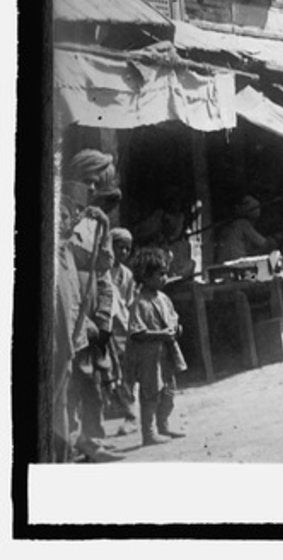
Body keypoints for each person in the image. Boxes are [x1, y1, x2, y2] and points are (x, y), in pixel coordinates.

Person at [63, 150, 123, 462]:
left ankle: (93, 437)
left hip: (92, 305)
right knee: (74, 376)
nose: (92, 189)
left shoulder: (97, 221)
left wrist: (103, 318)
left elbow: (103, 273)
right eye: (88, 181)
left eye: (97, 184)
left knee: (95, 377)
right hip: (71, 305)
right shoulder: (63, 216)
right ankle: (71, 440)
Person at [128, 247, 187, 446]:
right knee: (150, 393)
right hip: (149, 357)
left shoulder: (164, 299)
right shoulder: (139, 303)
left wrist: (176, 328)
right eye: (160, 274)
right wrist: (160, 334)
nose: (164, 278)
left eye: (165, 273)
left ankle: (164, 425)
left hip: (166, 353)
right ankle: (149, 433)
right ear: (145, 276)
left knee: (169, 391)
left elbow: (173, 318)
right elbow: (136, 332)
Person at [106, 227, 137, 432]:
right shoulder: (101, 270)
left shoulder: (127, 274)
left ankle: (131, 415)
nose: (124, 252)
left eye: (127, 248)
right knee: (107, 370)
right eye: (120, 247)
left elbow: (130, 301)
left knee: (125, 370)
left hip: (122, 327)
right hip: (105, 326)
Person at [216, 195, 278, 263]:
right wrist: (275, 240)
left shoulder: (229, 226)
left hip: (223, 263)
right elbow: (266, 245)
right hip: (236, 263)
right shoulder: (242, 224)